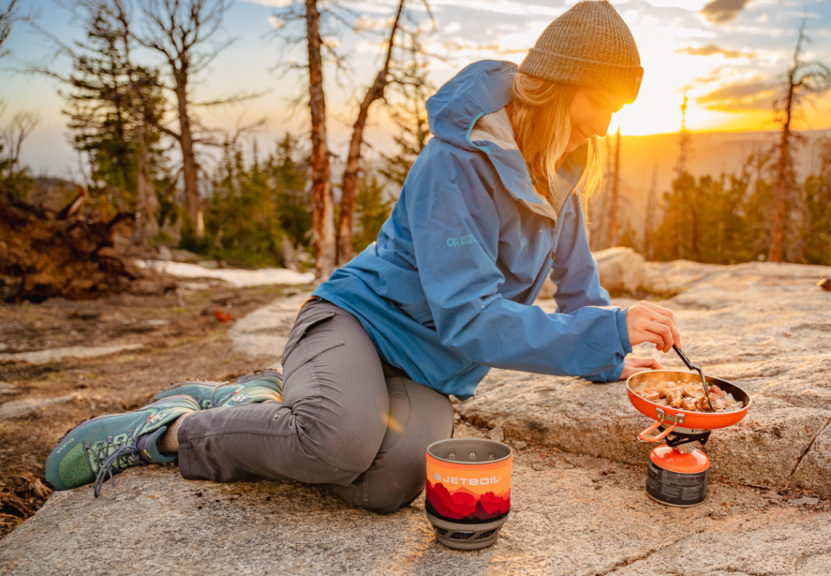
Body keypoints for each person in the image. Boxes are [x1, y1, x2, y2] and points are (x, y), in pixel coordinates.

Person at [44, 0, 682, 513]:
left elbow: (580, 292)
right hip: (357, 323)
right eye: (603, 103)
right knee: (337, 442)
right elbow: (469, 317)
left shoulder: (561, 170)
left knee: (388, 485)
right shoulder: (454, 164)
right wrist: (605, 331)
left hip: (424, 370)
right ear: (560, 85)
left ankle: (273, 403)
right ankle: (169, 432)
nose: (606, 125)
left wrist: (616, 354)